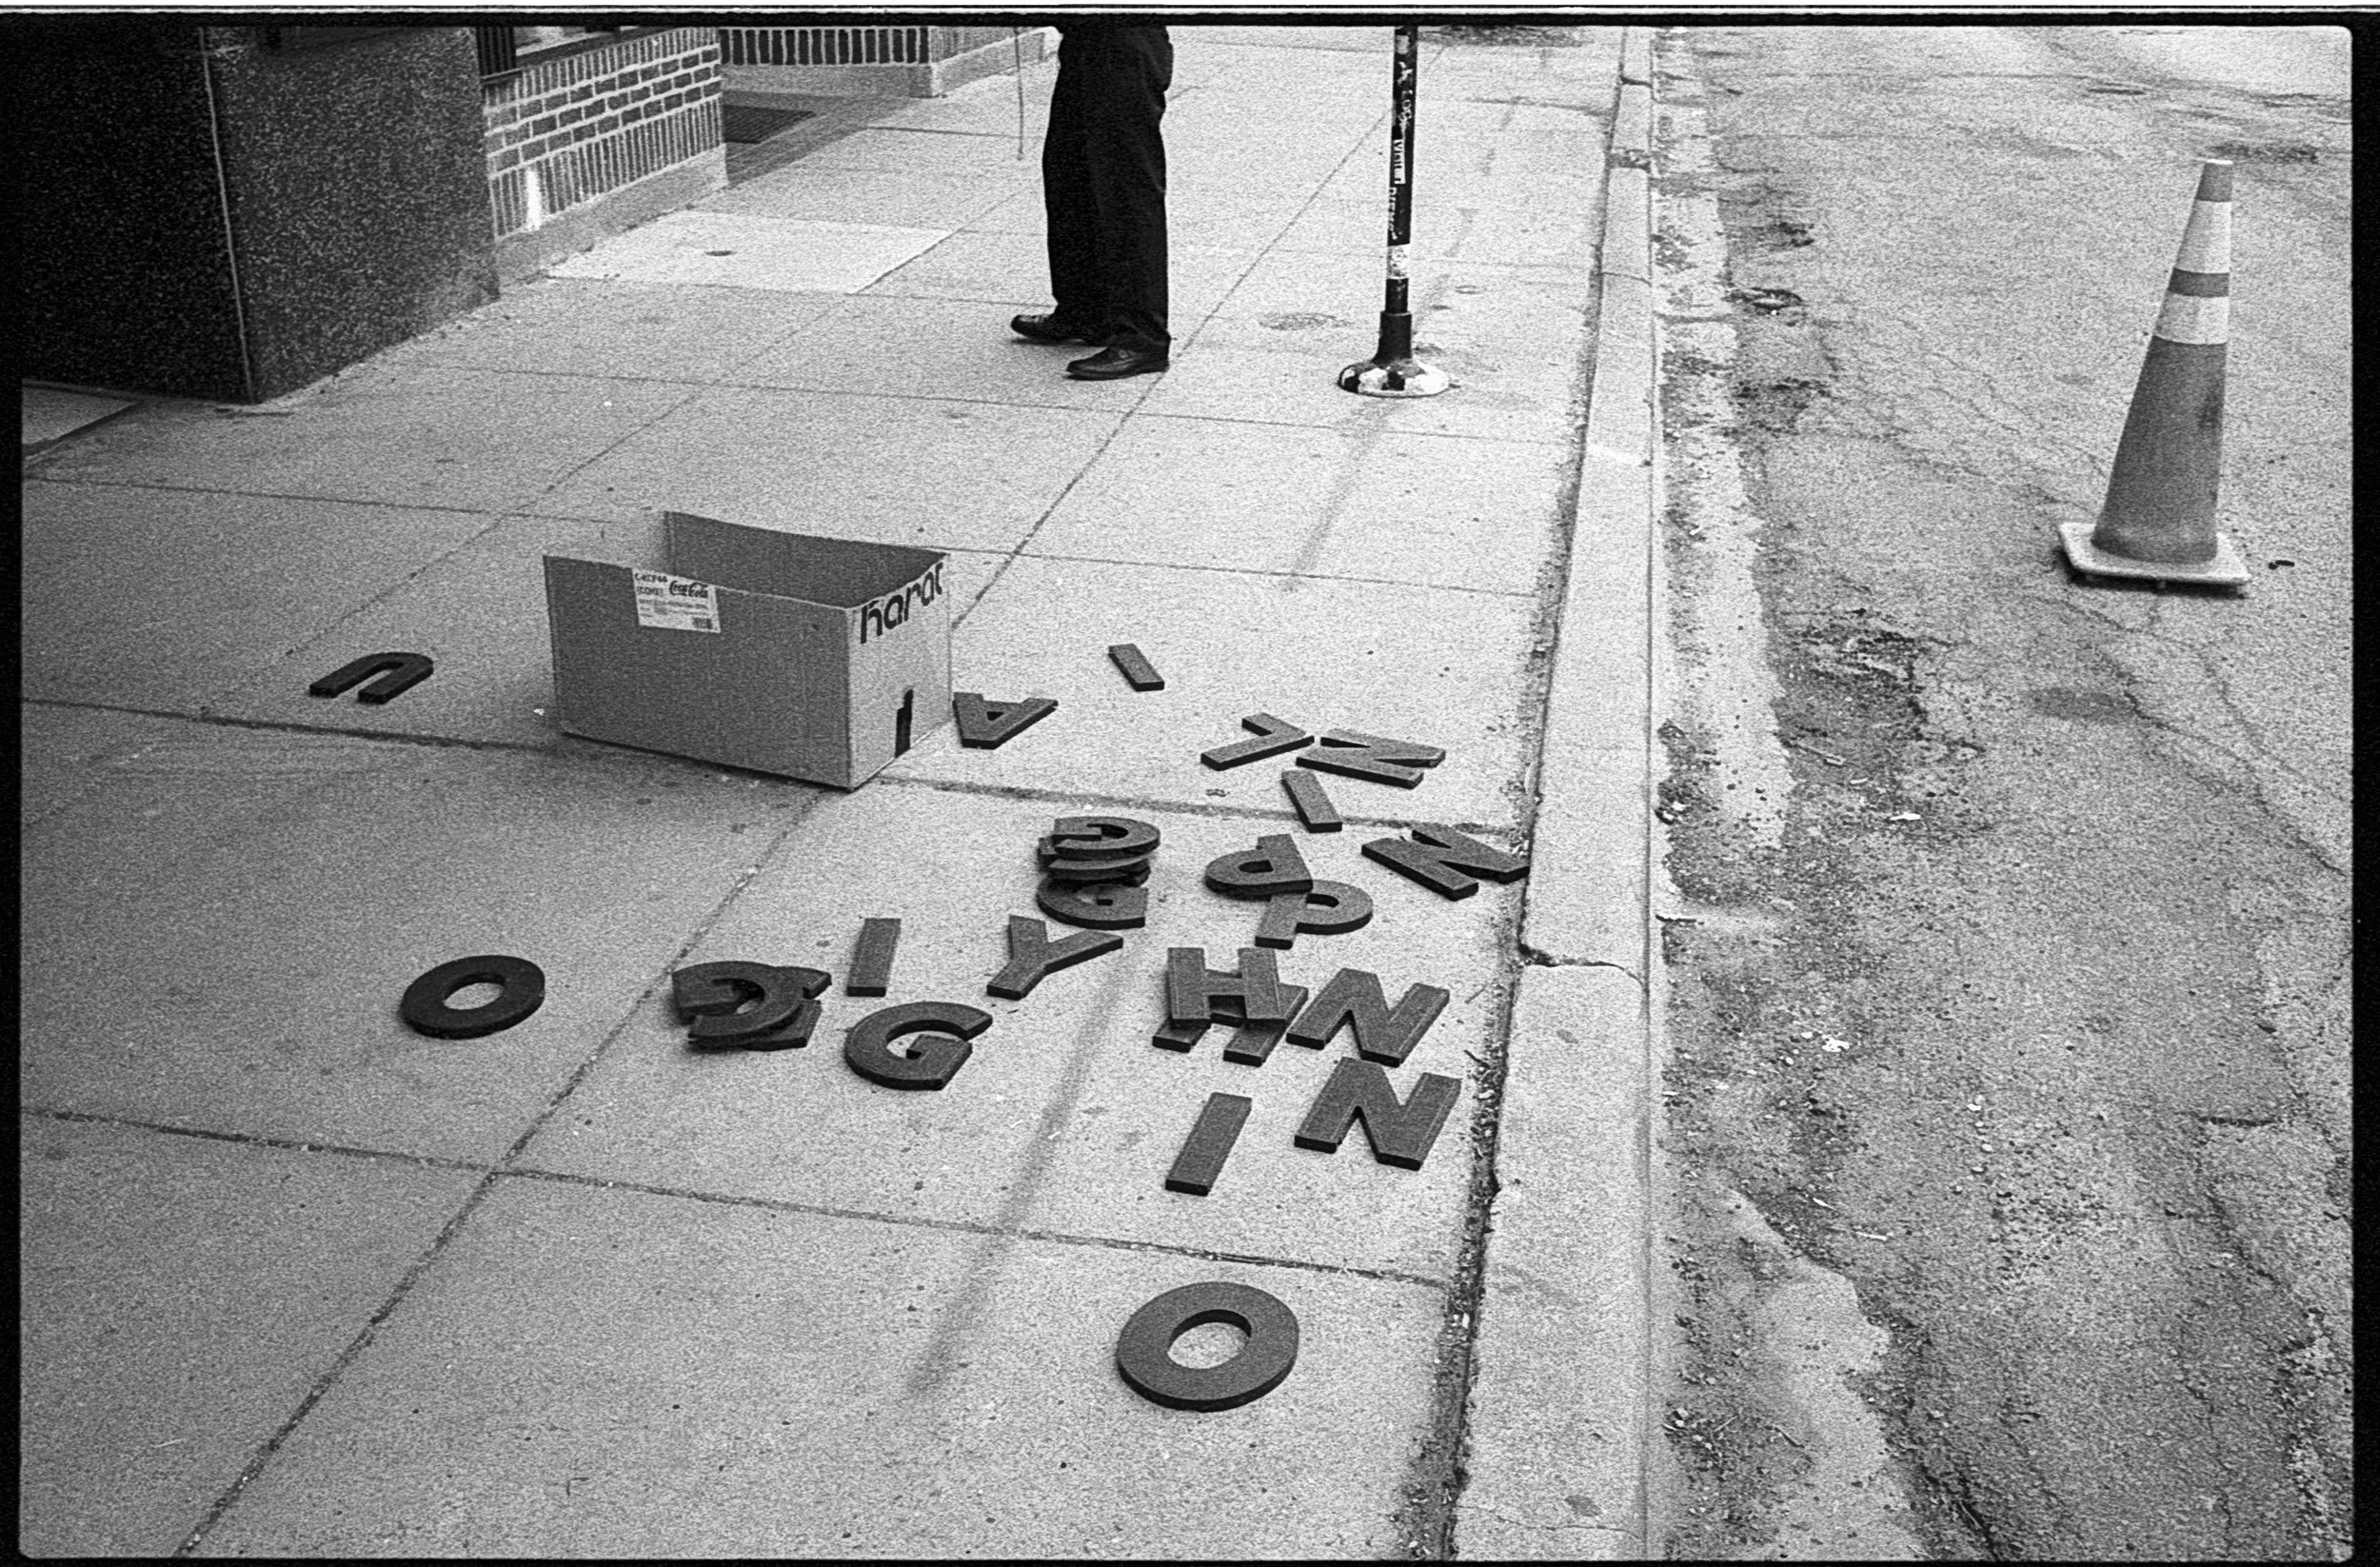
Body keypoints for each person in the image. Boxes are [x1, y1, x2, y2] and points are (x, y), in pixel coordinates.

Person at [1010, 23, 1173, 380]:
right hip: (1085, 42)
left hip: (1122, 42)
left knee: (1125, 193)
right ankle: (1084, 310)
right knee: (1070, 179)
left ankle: (1143, 338)